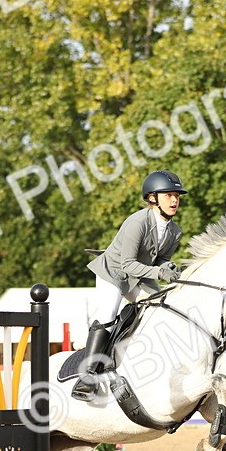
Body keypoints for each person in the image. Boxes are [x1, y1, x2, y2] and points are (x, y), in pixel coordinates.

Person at [74, 170, 187, 400]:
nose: (174, 200)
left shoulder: (175, 231)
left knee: (163, 308)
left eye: (176, 195)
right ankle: (86, 377)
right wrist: (159, 271)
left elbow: (161, 259)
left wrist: (170, 268)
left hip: (139, 275)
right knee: (108, 315)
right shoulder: (137, 222)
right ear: (152, 198)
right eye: (168, 195)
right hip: (113, 273)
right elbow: (126, 264)